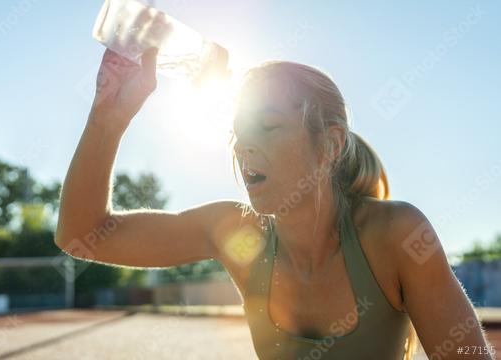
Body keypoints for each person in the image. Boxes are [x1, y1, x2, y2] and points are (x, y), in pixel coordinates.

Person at [54, 48, 493, 359]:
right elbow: (81, 235)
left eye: (268, 126)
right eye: (238, 132)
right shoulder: (236, 233)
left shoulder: (395, 234)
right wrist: (108, 116)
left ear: (330, 144)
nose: (245, 148)